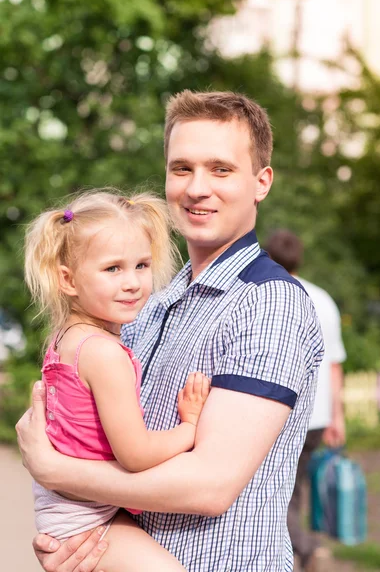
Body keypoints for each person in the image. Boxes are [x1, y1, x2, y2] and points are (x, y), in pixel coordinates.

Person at [16, 90, 324, 572]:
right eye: (182, 168)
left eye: (220, 169)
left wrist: (60, 473)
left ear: (261, 182)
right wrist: (76, 544)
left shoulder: (269, 303)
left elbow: (208, 487)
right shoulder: (149, 305)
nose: (197, 187)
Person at [24, 189, 210, 571]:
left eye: (141, 265)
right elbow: (135, 453)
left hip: (70, 509)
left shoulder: (66, 337)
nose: (132, 282)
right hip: (84, 519)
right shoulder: (103, 353)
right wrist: (189, 428)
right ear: (68, 280)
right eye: (113, 269)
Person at [265, 229, 347, 572]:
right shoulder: (324, 299)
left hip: (283, 414)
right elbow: (334, 365)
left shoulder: (270, 296)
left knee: (278, 491)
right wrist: (337, 416)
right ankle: (304, 548)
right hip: (318, 416)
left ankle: (302, 549)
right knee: (297, 488)